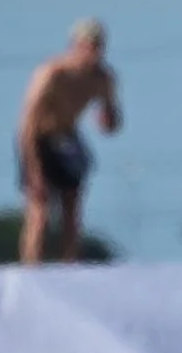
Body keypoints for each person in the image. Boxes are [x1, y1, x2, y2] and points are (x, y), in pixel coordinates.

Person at [17, 17, 121, 265]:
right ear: (76, 45)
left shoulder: (102, 78)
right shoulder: (52, 74)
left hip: (67, 137)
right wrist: (34, 169)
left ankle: (70, 265)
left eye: (98, 46)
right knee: (39, 210)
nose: (94, 52)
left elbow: (111, 124)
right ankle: (31, 268)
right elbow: (27, 124)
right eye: (89, 46)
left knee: (72, 209)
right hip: (38, 138)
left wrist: (107, 116)